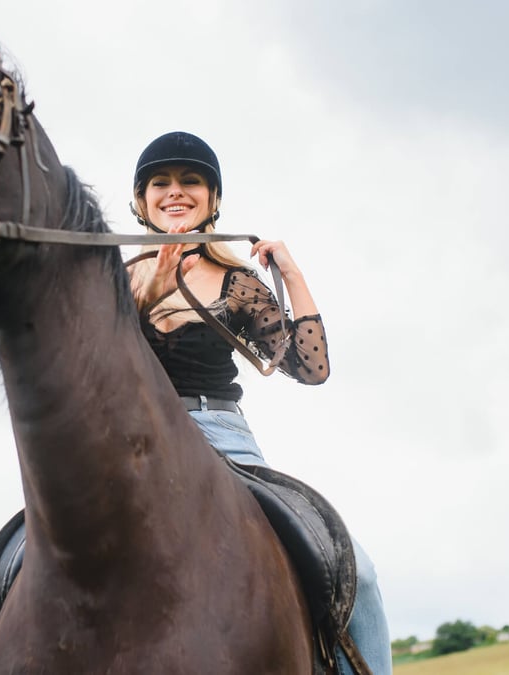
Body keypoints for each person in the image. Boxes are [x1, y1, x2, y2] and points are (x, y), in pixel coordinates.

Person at [127, 131, 393, 675]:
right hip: (131, 443)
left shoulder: (237, 282)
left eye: (191, 181)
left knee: (359, 575)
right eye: (160, 183)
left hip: (222, 437)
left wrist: (291, 273)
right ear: (141, 201)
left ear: (213, 199)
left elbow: (311, 368)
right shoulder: (109, 279)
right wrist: (142, 296)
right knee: (19, 561)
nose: (175, 191)